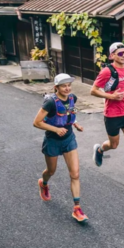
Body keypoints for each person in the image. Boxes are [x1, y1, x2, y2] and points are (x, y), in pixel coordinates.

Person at [33, 74, 88, 223]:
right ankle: (43, 183)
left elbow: (69, 112)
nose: (67, 88)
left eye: (69, 85)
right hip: (52, 141)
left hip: (69, 139)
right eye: (64, 86)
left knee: (75, 174)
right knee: (51, 171)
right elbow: (36, 122)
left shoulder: (72, 98)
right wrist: (56, 129)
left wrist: (75, 123)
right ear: (56, 87)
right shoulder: (50, 103)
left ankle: (77, 208)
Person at [91, 42, 124, 191]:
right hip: (112, 115)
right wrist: (111, 96)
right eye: (120, 53)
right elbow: (93, 90)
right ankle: (100, 150)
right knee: (113, 145)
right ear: (112, 55)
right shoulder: (107, 72)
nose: (123, 56)